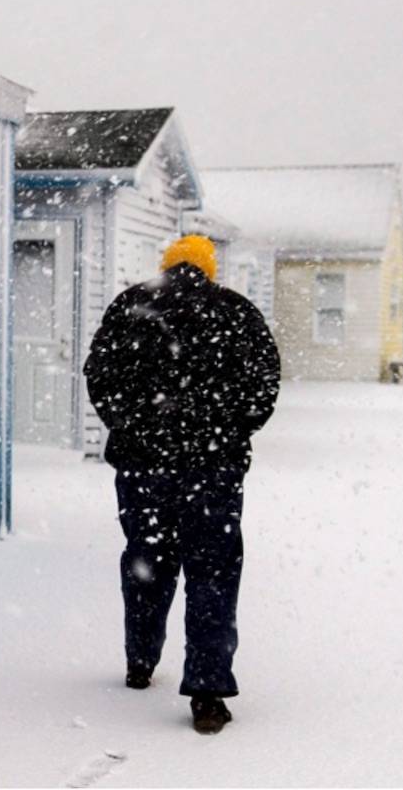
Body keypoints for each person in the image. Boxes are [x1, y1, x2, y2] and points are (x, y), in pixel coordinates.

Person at [82, 234, 280, 735]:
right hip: (213, 470)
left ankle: (140, 661)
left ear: (167, 266)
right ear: (208, 269)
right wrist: (231, 430)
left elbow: (99, 377)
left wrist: (133, 427)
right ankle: (208, 692)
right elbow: (264, 384)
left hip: (145, 469)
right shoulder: (236, 313)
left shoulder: (131, 306)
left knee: (147, 561)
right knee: (213, 573)